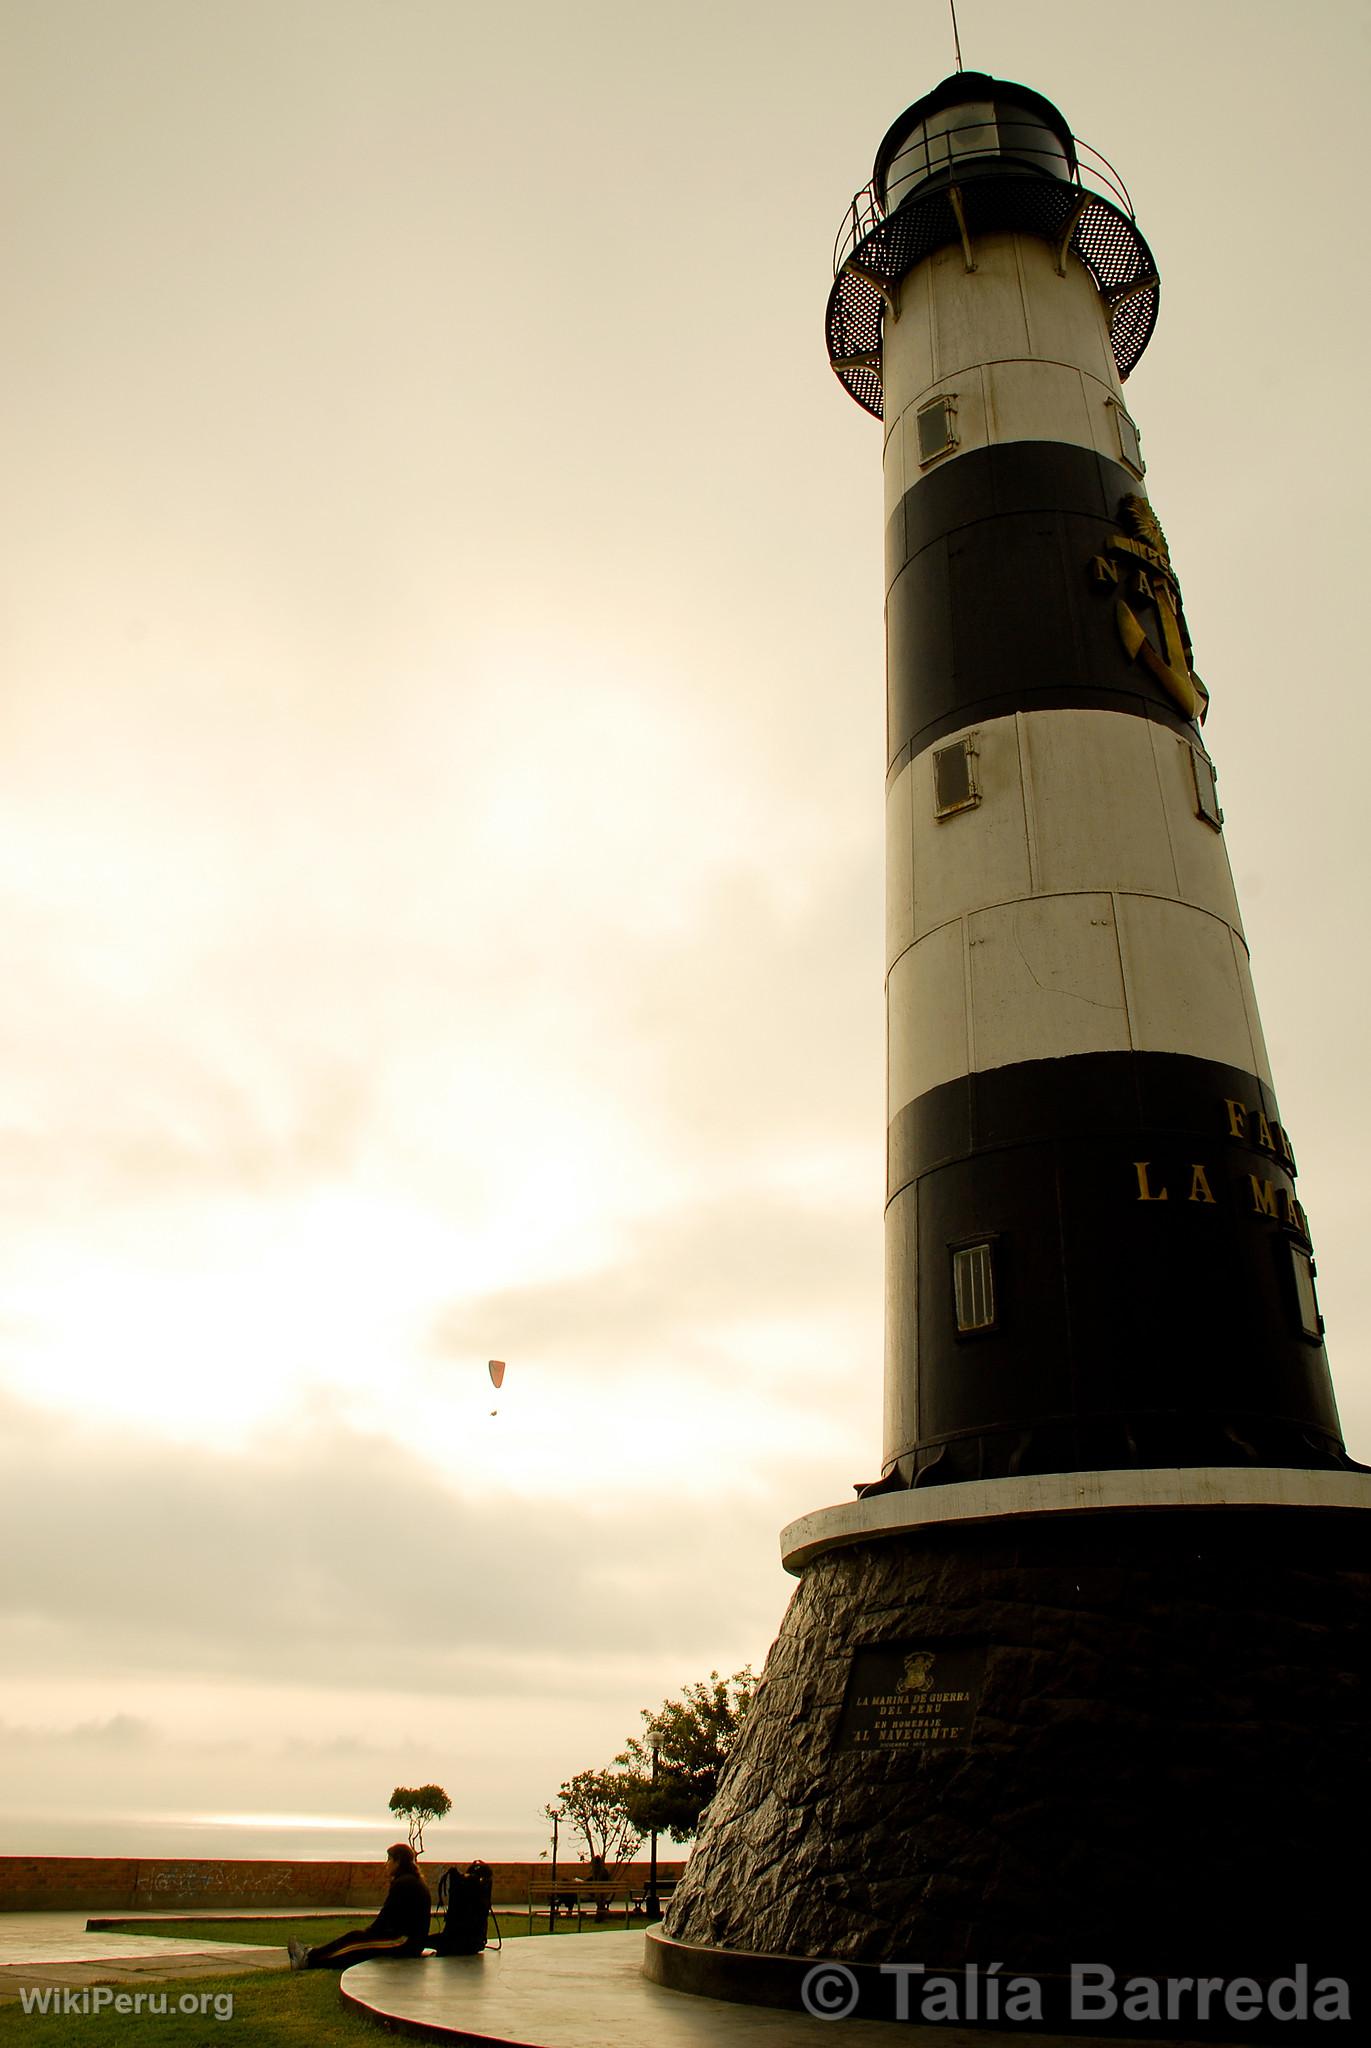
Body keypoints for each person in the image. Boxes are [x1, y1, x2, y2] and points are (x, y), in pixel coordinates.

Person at [288, 1842, 431, 1970]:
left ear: (398, 1861)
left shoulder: (404, 1883)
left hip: (404, 1942)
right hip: (407, 1940)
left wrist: (369, 1934)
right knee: (355, 1939)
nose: (386, 1864)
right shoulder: (411, 1881)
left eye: (389, 1859)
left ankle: (309, 1960)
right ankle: (310, 1955)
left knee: (355, 1944)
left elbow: (386, 1915)